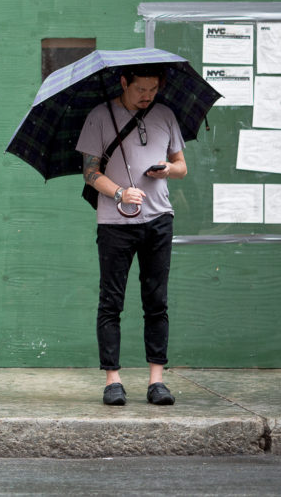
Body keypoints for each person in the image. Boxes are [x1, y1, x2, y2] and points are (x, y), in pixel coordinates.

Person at [76, 64, 187, 406]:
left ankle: (157, 381)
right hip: (115, 224)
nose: (147, 96)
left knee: (157, 301)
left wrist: (168, 169)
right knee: (111, 301)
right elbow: (90, 172)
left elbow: (182, 165)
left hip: (158, 219)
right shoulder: (99, 115)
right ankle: (113, 380)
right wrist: (120, 193)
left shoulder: (165, 114)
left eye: (153, 89)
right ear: (124, 82)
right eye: (141, 89)